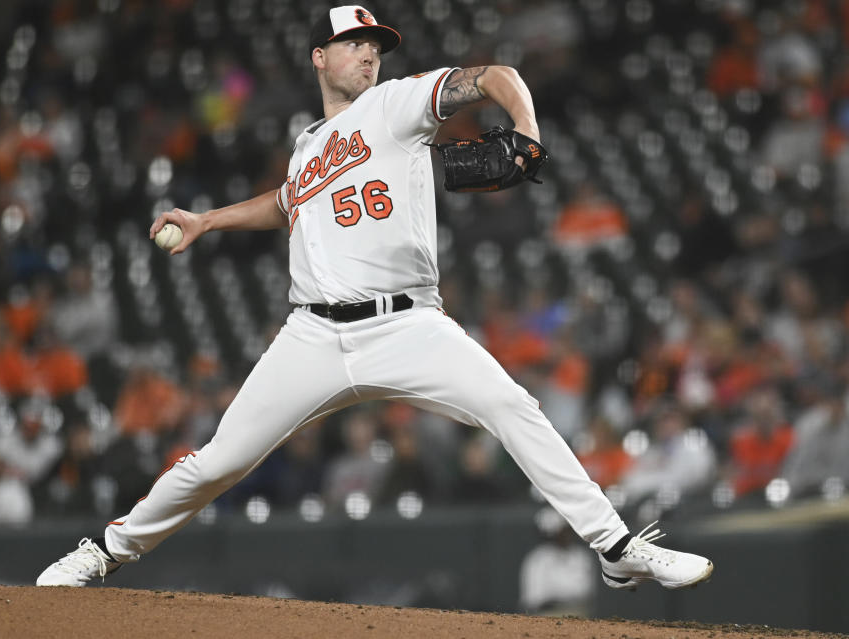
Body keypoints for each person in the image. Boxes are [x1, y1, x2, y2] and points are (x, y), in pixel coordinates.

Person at [37, 5, 712, 591]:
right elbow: (284, 202)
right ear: (319, 56)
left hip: (408, 324)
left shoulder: (395, 105)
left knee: (513, 405)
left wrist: (527, 127)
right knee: (218, 461)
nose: (368, 52)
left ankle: (618, 549)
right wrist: (208, 221)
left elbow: (494, 77)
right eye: (355, 42)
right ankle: (103, 551)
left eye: (376, 44)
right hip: (313, 336)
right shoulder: (307, 149)